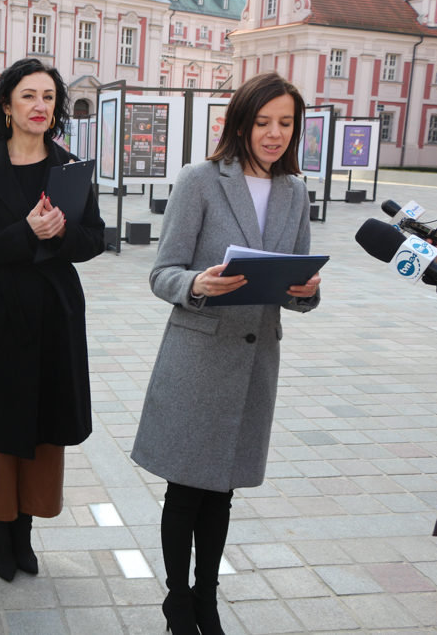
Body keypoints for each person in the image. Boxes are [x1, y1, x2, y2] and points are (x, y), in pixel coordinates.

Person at [130, 71, 321, 635]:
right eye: (263, 122)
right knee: (185, 490)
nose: (274, 134)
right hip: (198, 357)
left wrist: (306, 293)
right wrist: (196, 285)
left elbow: (299, 283)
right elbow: (162, 272)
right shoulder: (200, 180)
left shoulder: (295, 192)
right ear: (240, 122)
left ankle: (206, 599)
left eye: (285, 123)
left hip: (255, 360)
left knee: (223, 493)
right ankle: (177, 602)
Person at [0, 58, 105, 582]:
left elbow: (94, 240)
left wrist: (61, 234)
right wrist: (26, 233)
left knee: (42, 423)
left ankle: (26, 534)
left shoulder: (72, 168)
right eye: (29, 96)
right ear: (7, 106)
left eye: (49, 97)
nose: (41, 106)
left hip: (53, 311)